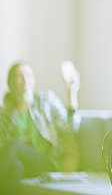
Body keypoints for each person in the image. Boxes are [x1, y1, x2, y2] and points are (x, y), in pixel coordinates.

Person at [0, 61, 81, 193]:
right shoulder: (6, 114)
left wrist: (72, 94)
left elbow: (71, 129)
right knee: (15, 168)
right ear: (11, 83)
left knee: (15, 144)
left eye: (29, 75)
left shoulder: (46, 101)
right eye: (20, 76)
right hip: (24, 166)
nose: (26, 80)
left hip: (47, 164)